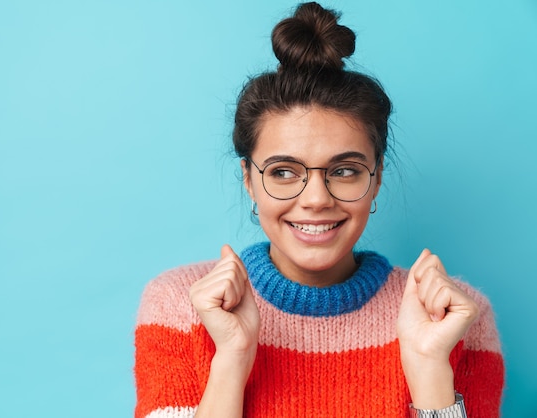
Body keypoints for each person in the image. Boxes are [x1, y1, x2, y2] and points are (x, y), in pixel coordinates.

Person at [133, 2, 504, 417]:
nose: (315, 199)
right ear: (249, 179)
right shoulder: (177, 306)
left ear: (376, 177)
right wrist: (232, 360)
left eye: (344, 170)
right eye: (284, 172)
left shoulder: (455, 319)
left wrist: (429, 369)